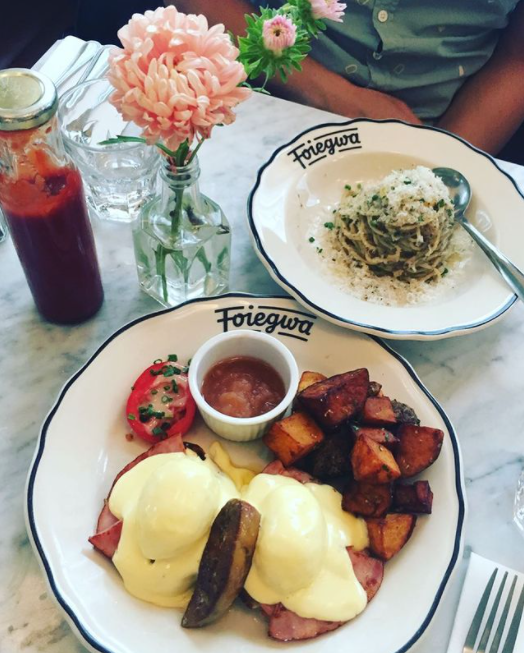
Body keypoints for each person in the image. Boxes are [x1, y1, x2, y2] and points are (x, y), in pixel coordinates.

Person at [167, 0, 524, 159]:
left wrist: (445, 161)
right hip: (263, 103)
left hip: (449, 129)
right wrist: (327, 93)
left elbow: (517, 59)